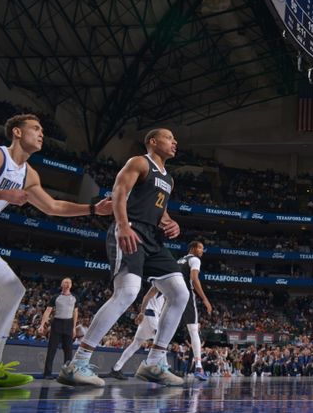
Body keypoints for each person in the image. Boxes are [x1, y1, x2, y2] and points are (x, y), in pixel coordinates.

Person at [58, 128, 190, 387]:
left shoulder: (169, 179)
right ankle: (77, 363)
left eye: (175, 138)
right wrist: (123, 226)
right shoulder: (139, 162)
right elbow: (119, 193)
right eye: (169, 137)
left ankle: (154, 361)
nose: (175, 142)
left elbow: (159, 210)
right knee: (128, 292)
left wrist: (170, 222)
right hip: (130, 228)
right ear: (153, 141)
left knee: (180, 293)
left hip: (153, 238)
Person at [0, 114, 112, 387]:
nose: (41, 134)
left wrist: (93, 208)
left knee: (13, 289)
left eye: (42, 130)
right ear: (16, 132)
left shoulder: (29, 174)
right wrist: (2, 195)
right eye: (35, 129)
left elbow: (54, 207)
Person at [109, 285, 166, 380]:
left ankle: (116, 369)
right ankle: (165, 368)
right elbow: (146, 297)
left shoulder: (165, 290)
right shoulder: (159, 284)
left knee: (135, 344)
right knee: (161, 341)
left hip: (152, 316)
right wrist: (142, 313)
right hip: (150, 315)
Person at [177, 241, 213, 381]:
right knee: (193, 331)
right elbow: (194, 278)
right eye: (200, 248)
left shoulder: (179, 260)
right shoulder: (194, 259)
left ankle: (158, 363)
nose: (202, 251)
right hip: (186, 296)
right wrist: (204, 299)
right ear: (192, 248)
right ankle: (198, 366)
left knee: (166, 328)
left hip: (172, 295)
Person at [38, 278, 78, 378]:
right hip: (57, 323)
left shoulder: (74, 298)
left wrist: (73, 328)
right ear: (61, 284)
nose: (68, 284)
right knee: (52, 349)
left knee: (68, 350)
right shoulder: (56, 297)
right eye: (65, 282)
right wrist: (42, 325)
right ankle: (47, 373)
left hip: (68, 323)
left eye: (69, 282)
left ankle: (67, 373)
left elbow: (75, 312)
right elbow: (48, 311)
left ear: (71, 285)